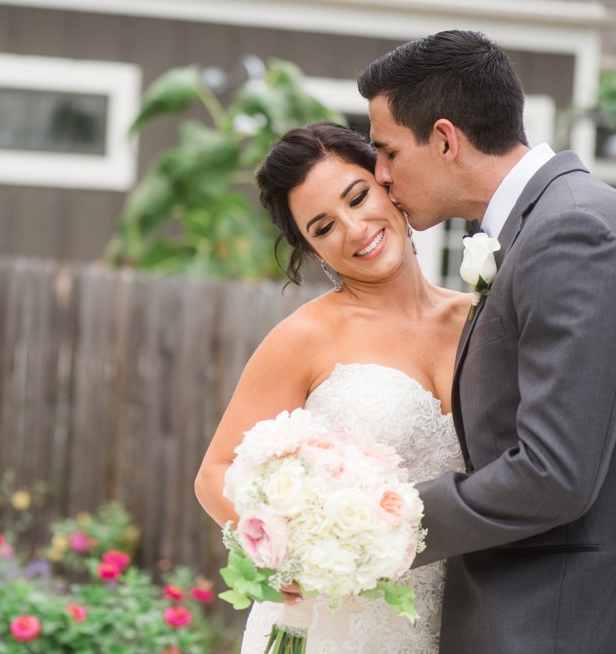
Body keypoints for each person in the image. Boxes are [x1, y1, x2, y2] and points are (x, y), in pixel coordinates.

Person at [356, 30, 616, 653]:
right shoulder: (563, 219)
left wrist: (377, 523)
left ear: (446, 139)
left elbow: (552, 473)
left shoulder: (574, 233)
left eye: (389, 151)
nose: (381, 174)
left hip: (571, 620)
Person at [195, 121, 467, 652]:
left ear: (388, 184)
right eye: (322, 227)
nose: (354, 228)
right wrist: (293, 552)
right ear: (313, 250)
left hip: (460, 616)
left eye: (358, 196)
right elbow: (214, 473)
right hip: (335, 625)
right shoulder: (305, 337)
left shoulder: (480, 319)